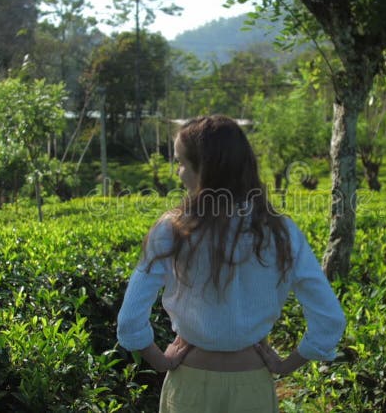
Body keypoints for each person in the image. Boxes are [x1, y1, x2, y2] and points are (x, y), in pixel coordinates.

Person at [116, 115, 346, 412]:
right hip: (253, 386)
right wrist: (287, 365)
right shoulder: (282, 232)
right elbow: (330, 318)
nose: (178, 173)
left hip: (190, 387)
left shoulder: (172, 230)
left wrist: (161, 360)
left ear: (207, 169)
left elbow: (130, 321)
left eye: (182, 162)